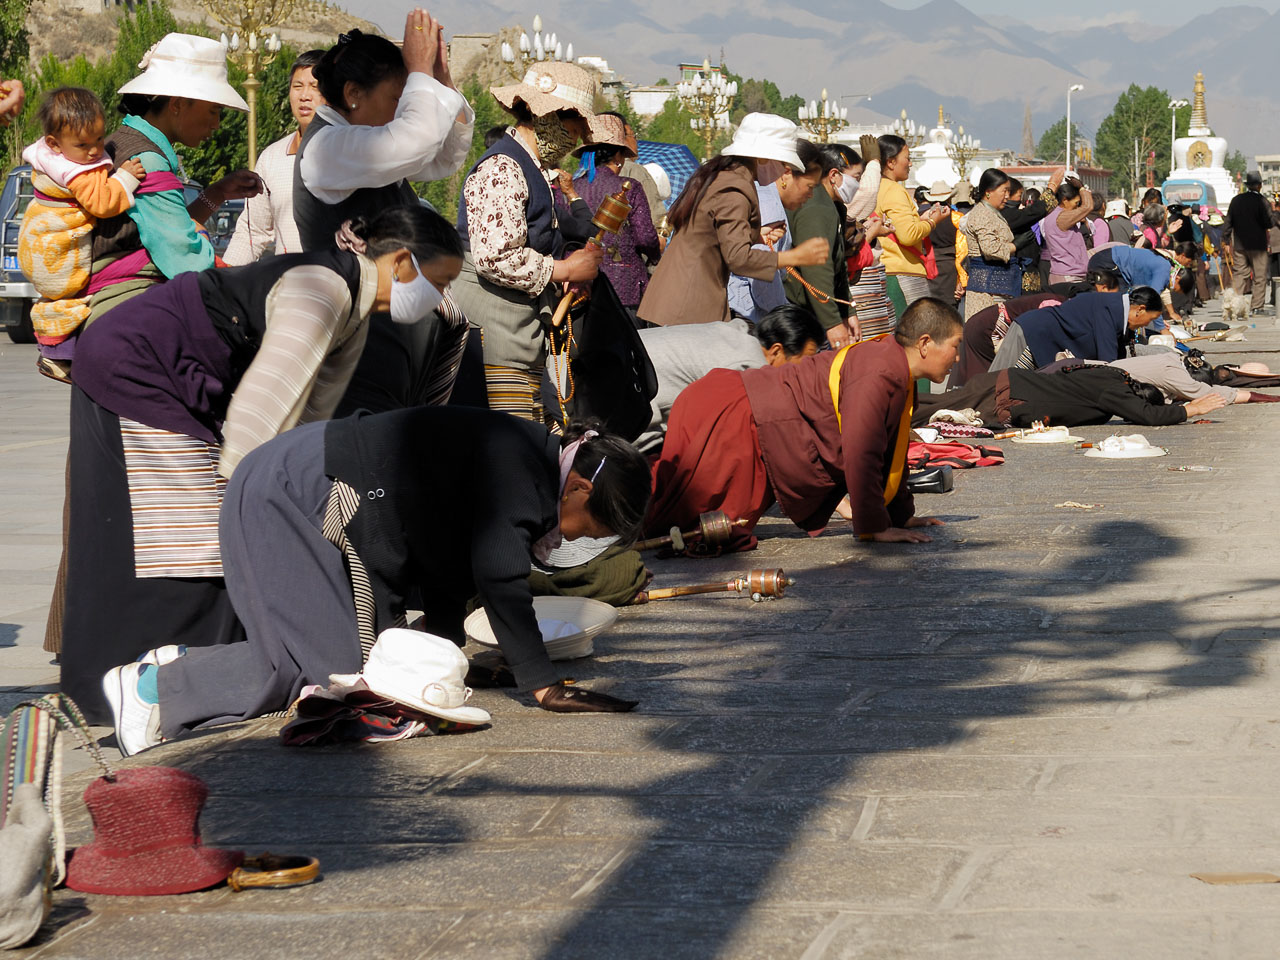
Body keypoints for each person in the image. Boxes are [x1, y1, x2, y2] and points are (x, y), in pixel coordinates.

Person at [61, 205, 463, 723]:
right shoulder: (323, 292)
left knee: (202, 531)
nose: (443, 297)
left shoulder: (354, 306)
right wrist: (252, 508)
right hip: (139, 364)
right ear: (404, 262)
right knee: (189, 538)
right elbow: (260, 414)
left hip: (174, 373)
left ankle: (163, 678)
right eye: (442, 280)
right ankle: (131, 684)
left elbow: (312, 423)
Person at [103, 411, 653, 755]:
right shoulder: (519, 470)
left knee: (361, 670)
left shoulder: (530, 456)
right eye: (594, 527)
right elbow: (497, 575)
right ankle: (153, 689)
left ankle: (177, 664)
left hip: (307, 482)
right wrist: (542, 684)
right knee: (324, 675)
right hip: (298, 490)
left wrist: (447, 656)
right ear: (579, 488)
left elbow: (448, 563)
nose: (580, 539)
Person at [647, 297, 961, 544]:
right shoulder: (879, 369)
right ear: (924, 343)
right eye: (955, 347)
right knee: (674, 515)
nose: (957, 358)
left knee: (702, 523)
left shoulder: (893, 367)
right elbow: (862, 450)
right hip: (735, 413)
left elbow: (891, 451)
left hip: (748, 413)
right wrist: (874, 526)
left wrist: (901, 515)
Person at [296, 16, 475, 415]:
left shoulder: (360, 145)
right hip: (358, 342)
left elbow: (440, 156)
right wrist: (418, 74)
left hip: (386, 335)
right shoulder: (328, 147)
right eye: (398, 98)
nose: (403, 110)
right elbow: (416, 140)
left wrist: (438, 84)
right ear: (354, 93)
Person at [452, 61, 603, 423]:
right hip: (494, 343)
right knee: (511, 445)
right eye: (574, 127)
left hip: (516, 338)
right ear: (545, 116)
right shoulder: (503, 168)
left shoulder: (527, 167)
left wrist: (558, 275)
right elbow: (497, 257)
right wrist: (564, 268)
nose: (578, 138)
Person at [87, 34, 262, 320]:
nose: (217, 124)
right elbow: (185, 257)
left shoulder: (126, 141)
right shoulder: (148, 161)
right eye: (214, 111)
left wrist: (217, 193)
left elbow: (171, 227)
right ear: (178, 104)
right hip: (123, 311)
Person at [638, 114, 828, 327]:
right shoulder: (735, 187)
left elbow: (711, 232)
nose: (782, 170)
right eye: (782, 161)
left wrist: (756, 235)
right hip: (687, 306)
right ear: (763, 158)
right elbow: (738, 258)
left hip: (681, 301)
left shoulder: (725, 176)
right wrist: (793, 257)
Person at [18, 87, 147, 382]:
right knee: (71, 296)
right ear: (54, 143)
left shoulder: (54, 155)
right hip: (56, 244)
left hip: (36, 235)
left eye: (100, 140)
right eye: (83, 144)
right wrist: (126, 178)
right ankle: (59, 357)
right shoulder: (80, 173)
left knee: (52, 298)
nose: (94, 150)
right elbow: (102, 203)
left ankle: (54, 353)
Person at [634, 303, 826, 452]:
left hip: (627, 372)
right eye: (805, 362)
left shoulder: (734, 335)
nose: (804, 374)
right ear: (776, 351)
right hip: (629, 408)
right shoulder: (748, 367)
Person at [222, 49, 325, 264]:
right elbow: (253, 232)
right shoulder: (272, 157)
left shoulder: (353, 151)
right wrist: (225, 278)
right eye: (297, 86)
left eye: (315, 87)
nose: (304, 95)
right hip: (290, 283)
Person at [914, 363, 1227, 430]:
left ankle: (894, 413)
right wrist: (1190, 410)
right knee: (932, 410)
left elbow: (1064, 371)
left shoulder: (1110, 373)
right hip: (1008, 395)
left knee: (938, 407)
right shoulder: (1114, 390)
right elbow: (1147, 416)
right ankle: (886, 417)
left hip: (1006, 383)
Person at [572, 114, 661, 324]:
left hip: (581, 285)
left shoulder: (572, 189)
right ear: (619, 155)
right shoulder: (630, 188)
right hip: (625, 287)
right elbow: (646, 238)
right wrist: (655, 254)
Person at [725, 139, 822, 323]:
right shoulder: (768, 204)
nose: (810, 195)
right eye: (809, 187)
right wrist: (783, 313)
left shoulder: (758, 192)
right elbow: (760, 272)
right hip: (746, 315)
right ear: (786, 174)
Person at [786, 142, 860, 347]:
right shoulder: (818, 207)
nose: (858, 185)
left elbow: (838, 266)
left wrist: (848, 310)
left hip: (814, 309)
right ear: (834, 175)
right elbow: (818, 267)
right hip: (805, 313)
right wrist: (832, 322)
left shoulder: (831, 206)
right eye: (857, 177)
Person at [989, 288, 1163, 371]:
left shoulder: (1116, 308)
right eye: (1151, 319)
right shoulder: (1111, 309)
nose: (1146, 325)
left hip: (1043, 337)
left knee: (1010, 385)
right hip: (1030, 332)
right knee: (996, 382)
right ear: (1140, 309)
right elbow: (1109, 362)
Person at [875, 134, 948, 318]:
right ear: (891, 162)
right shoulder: (894, 190)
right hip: (903, 272)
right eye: (907, 159)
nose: (910, 164)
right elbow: (908, 235)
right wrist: (932, 222)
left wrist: (920, 220)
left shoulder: (877, 187)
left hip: (889, 269)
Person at [951, 291, 1063, 388]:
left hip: (981, 324)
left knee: (977, 375)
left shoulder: (1056, 301)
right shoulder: (1054, 304)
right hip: (985, 329)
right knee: (984, 380)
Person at [1088, 242, 1198, 325]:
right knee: (1121, 305)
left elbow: (1157, 294)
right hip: (1110, 263)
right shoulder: (1164, 270)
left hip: (1112, 263)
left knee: (1125, 305)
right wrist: (1161, 328)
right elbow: (1152, 299)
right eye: (1177, 289)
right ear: (1177, 279)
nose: (1175, 291)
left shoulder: (1166, 267)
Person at [960, 168, 1019, 321]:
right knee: (990, 336)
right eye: (1004, 191)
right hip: (986, 291)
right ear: (988, 192)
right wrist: (1015, 246)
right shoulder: (981, 214)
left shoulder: (991, 212)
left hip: (996, 286)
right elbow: (991, 249)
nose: (1007, 196)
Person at [597, 110, 666, 233]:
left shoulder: (581, 178)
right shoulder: (636, 173)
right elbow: (653, 219)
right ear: (622, 139)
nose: (635, 141)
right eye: (632, 135)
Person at [1001, 171, 1062, 293]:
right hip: (1019, 274)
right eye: (1019, 196)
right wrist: (1051, 188)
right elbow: (1034, 212)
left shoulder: (1009, 213)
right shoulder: (1006, 215)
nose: (1021, 200)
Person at [1225, 171, 1273, 314]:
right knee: (1259, 276)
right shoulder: (1262, 201)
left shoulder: (1236, 200)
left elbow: (1228, 221)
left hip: (1240, 244)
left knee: (1240, 274)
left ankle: (1235, 306)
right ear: (1259, 186)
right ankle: (1257, 307)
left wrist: (1225, 240)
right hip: (1258, 245)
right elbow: (1268, 222)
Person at [1040, 177, 1095, 285]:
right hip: (1068, 275)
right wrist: (1081, 188)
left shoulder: (1053, 215)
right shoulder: (1061, 217)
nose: (1077, 208)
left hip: (1064, 273)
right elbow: (1088, 207)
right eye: (1076, 203)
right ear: (1065, 200)